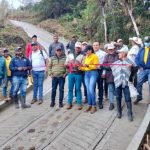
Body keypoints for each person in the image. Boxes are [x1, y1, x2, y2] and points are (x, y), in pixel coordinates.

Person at [111, 46, 133, 121]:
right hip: (118, 82)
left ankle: (130, 113)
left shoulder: (130, 62)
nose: (118, 54)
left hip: (126, 83)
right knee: (118, 97)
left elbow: (136, 69)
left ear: (124, 53)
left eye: (120, 52)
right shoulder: (117, 62)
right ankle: (119, 112)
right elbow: (109, 67)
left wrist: (131, 67)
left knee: (127, 97)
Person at [65, 42, 84, 110]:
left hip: (78, 74)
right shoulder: (70, 55)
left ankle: (79, 102)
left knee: (78, 89)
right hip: (71, 73)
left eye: (79, 47)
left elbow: (84, 65)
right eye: (76, 47)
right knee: (70, 88)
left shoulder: (82, 55)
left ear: (80, 48)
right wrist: (70, 64)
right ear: (74, 47)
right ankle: (69, 102)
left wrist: (79, 65)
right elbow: (65, 64)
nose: (77, 48)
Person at [80, 45, 99, 114]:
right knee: (88, 90)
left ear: (90, 50)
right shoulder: (86, 57)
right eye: (85, 51)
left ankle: (94, 106)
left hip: (93, 73)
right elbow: (85, 67)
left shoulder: (94, 56)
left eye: (86, 51)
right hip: (87, 74)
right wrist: (81, 68)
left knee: (91, 89)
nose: (86, 52)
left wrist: (87, 65)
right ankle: (89, 105)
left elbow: (96, 66)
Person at [134, 36, 150, 105]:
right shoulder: (141, 49)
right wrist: (139, 66)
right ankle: (139, 97)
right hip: (142, 69)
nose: (147, 43)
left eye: (148, 42)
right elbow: (136, 59)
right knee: (138, 83)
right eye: (146, 42)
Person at [103, 44, 118, 110]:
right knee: (111, 89)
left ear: (114, 49)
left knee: (117, 89)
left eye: (112, 49)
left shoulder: (117, 55)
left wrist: (110, 66)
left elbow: (118, 64)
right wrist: (111, 67)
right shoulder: (106, 56)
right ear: (108, 50)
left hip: (117, 75)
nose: (111, 50)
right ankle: (111, 103)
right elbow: (104, 65)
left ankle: (118, 102)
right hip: (109, 75)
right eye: (109, 49)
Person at [93, 41, 107, 109]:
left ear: (99, 46)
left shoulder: (103, 53)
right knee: (92, 87)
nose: (95, 46)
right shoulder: (90, 53)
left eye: (96, 45)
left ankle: (100, 101)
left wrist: (104, 73)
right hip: (92, 71)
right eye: (94, 45)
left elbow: (105, 64)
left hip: (100, 71)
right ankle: (93, 101)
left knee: (100, 87)